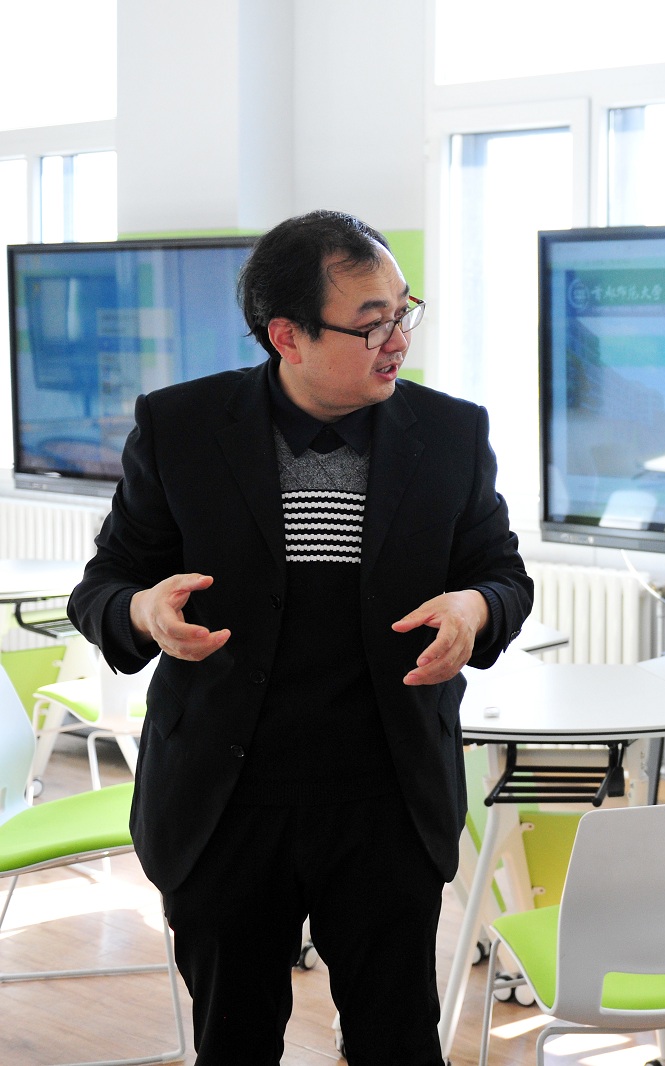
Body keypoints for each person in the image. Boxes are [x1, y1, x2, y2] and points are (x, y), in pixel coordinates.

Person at [67, 210, 534, 1066]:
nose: (399, 341)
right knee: (235, 1043)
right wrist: (144, 612)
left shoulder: (451, 434)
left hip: (387, 798)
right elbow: (102, 588)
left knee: (398, 1044)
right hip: (225, 802)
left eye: (403, 311)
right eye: (372, 324)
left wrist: (475, 610)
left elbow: (504, 575)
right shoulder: (182, 427)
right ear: (287, 336)